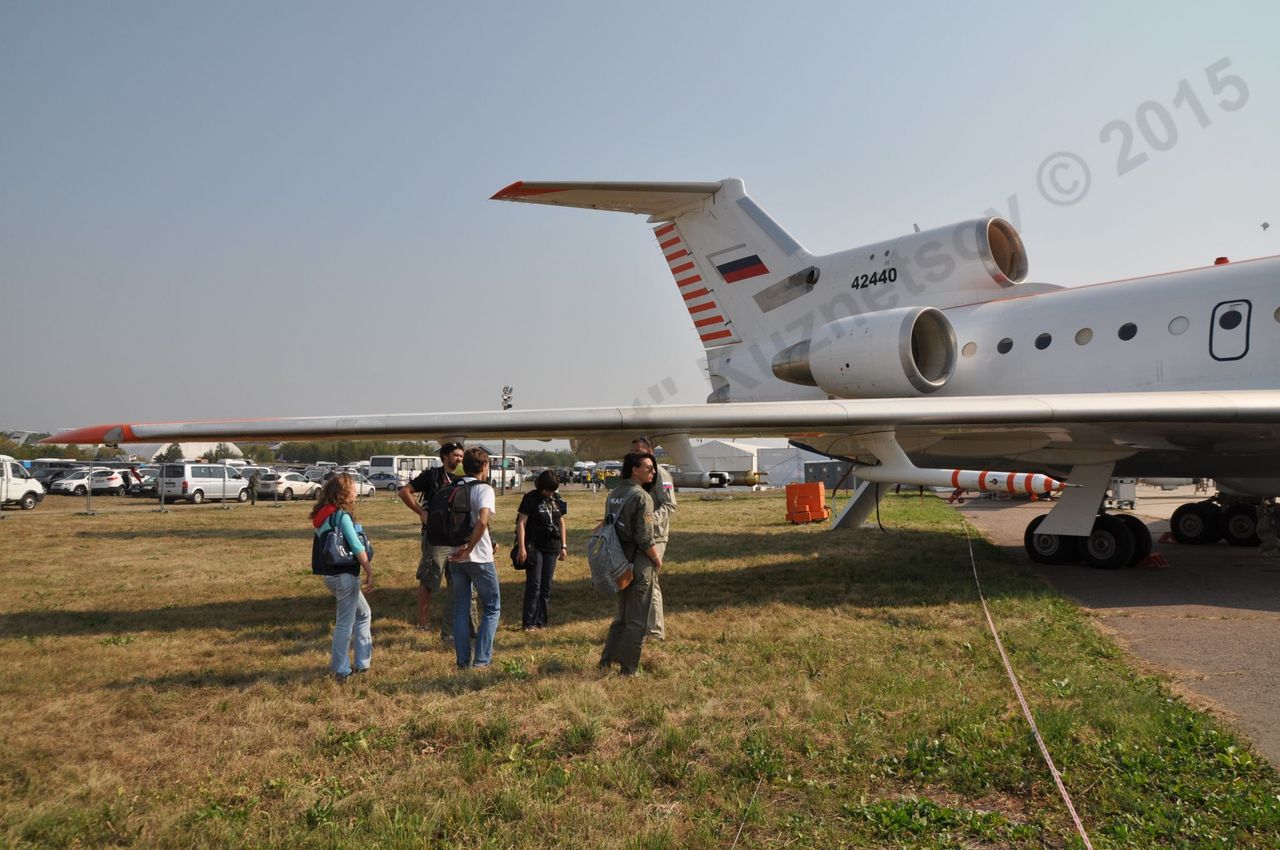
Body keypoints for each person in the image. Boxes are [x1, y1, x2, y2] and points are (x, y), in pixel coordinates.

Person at [398, 442, 478, 640]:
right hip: (436, 538)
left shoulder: (465, 478)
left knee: (458, 582)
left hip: (458, 538)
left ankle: (455, 627)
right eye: (455, 455)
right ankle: (423, 624)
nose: (459, 458)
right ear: (444, 456)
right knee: (429, 580)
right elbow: (404, 491)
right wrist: (421, 512)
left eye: (461, 455)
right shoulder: (432, 476)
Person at [598, 452, 662, 676]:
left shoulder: (615, 493)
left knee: (621, 617)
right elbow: (645, 537)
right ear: (635, 470)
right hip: (638, 562)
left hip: (619, 561)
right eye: (649, 468)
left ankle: (606, 661)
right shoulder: (643, 497)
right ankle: (628, 670)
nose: (653, 472)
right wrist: (656, 558)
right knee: (637, 619)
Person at [310, 474, 373, 681]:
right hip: (346, 576)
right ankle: (341, 670)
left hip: (330, 575)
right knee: (345, 624)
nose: (356, 493)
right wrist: (369, 570)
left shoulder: (321, 516)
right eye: (353, 489)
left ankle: (363, 663)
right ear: (343, 493)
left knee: (363, 613)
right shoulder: (341, 516)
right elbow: (356, 546)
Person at [447, 447, 501, 669]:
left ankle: (462, 661)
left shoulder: (453, 487)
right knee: (492, 606)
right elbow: (482, 521)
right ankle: (482, 659)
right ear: (485, 466)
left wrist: (461, 550)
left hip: (455, 556)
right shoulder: (484, 489)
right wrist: (470, 548)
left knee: (460, 609)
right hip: (478, 557)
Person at [632, 436, 676, 640]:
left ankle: (655, 631)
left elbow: (669, 505)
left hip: (655, 536)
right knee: (642, 582)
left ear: (650, 451)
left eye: (641, 451)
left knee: (651, 582)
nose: (637, 455)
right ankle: (645, 627)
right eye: (634, 452)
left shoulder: (660, 474)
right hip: (640, 535)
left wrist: (649, 520)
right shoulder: (637, 475)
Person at [515, 469, 568, 630]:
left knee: (546, 586)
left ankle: (542, 621)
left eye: (552, 490)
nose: (550, 493)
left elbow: (561, 522)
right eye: (547, 490)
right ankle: (529, 622)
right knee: (534, 585)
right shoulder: (530, 498)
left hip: (552, 547)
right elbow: (521, 523)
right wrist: (522, 547)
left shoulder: (556, 499)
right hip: (534, 546)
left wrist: (563, 546)